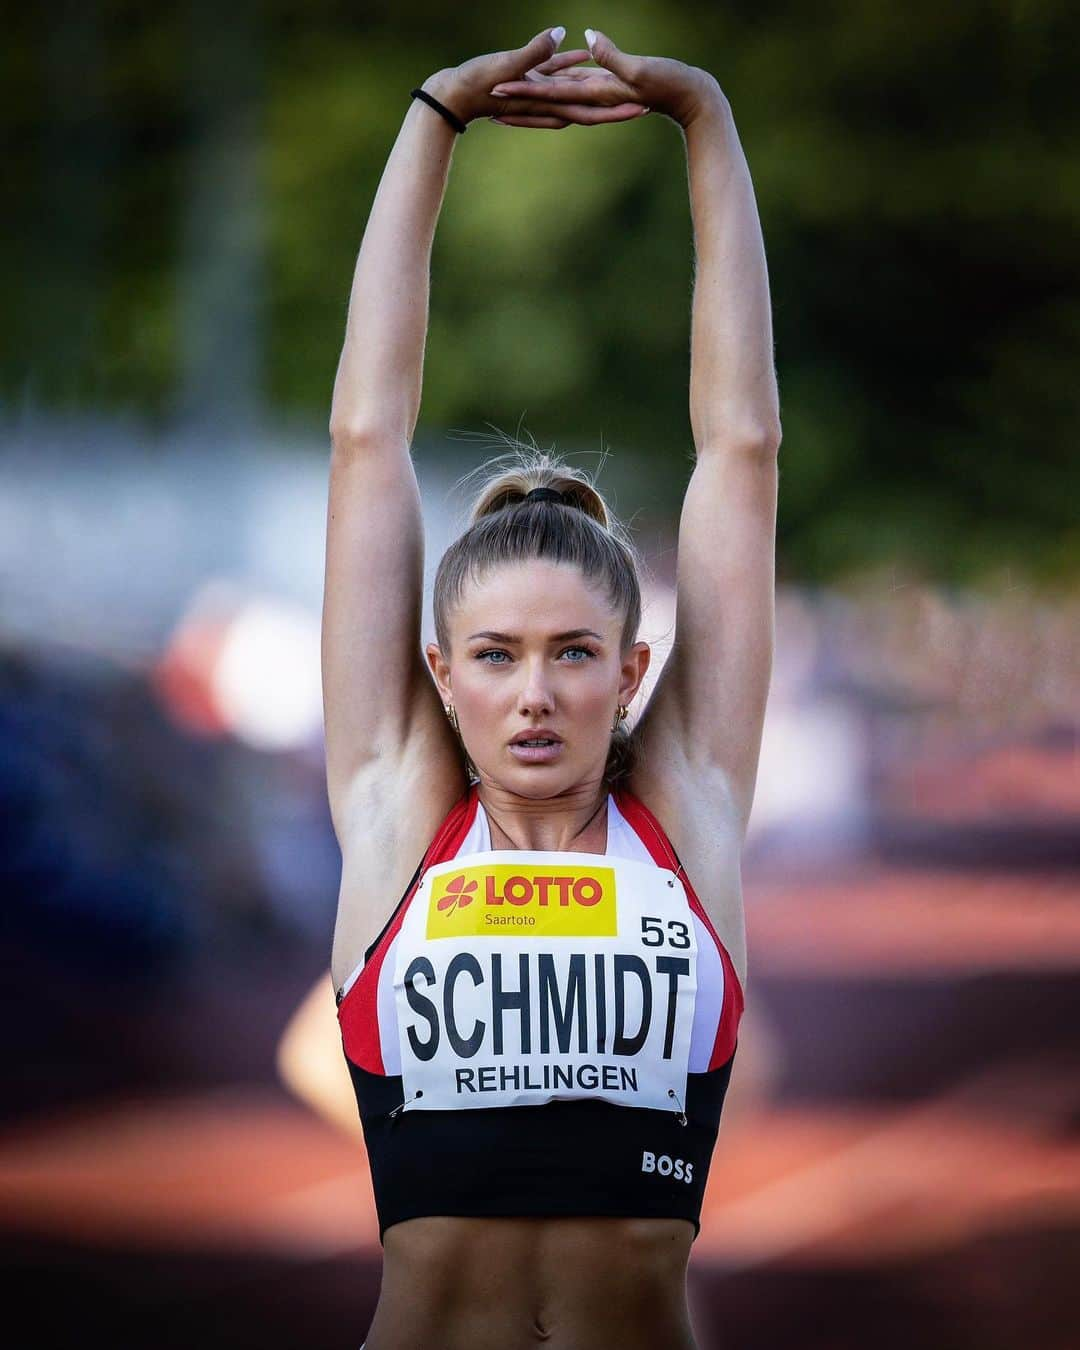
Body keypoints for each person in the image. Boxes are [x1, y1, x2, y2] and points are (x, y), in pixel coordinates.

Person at [322, 25, 781, 1350]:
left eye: (574, 652)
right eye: (497, 654)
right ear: (439, 673)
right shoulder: (396, 810)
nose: (536, 692)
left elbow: (741, 447)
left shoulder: (686, 807)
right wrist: (431, 117)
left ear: (633, 670)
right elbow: (367, 440)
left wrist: (706, 121)